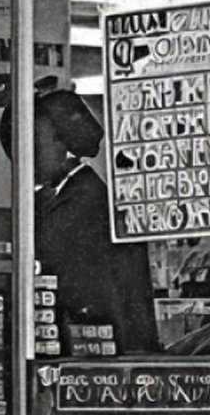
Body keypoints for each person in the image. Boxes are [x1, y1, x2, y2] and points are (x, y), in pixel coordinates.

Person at [31, 86, 161, 354]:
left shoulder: (83, 204)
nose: (28, 156)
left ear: (63, 145)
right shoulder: (77, 197)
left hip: (101, 351)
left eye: (35, 142)